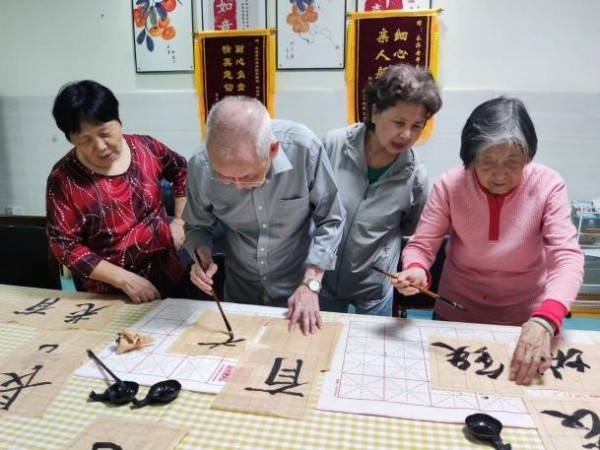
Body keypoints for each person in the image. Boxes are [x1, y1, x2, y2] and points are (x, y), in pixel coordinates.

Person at [393, 96, 584, 384]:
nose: (499, 175)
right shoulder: (451, 184)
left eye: (512, 162)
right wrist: (416, 269)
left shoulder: (547, 185)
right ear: (470, 158)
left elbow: (566, 257)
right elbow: (422, 244)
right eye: (487, 162)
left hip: (529, 320)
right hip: (457, 314)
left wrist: (546, 318)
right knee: (452, 391)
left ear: (528, 157)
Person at [183, 95, 345, 334]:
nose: (237, 186)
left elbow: (331, 218)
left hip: (299, 290)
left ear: (273, 149)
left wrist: (311, 284)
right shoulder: (201, 166)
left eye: (247, 176)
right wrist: (201, 257)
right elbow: (197, 226)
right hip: (241, 291)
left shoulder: (304, 149)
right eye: (226, 178)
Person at [47, 80, 191, 303]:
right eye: (85, 140)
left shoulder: (147, 148)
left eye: (105, 133)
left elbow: (182, 170)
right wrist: (123, 279)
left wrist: (181, 219)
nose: (101, 146)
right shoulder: (63, 178)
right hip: (111, 293)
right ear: (70, 139)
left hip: (170, 275)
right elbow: (63, 245)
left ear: (118, 120)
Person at [320, 64, 442, 316]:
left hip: (375, 286)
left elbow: (411, 229)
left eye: (417, 126)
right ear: (375, 112)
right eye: (398, 122)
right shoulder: (333, 145)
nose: (406, 134)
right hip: (324, 279)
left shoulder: (415, 174)